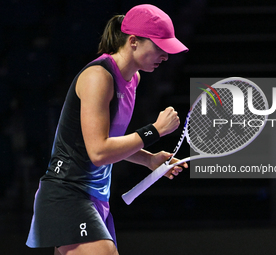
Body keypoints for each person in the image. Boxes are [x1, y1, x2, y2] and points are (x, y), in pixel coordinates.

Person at [26, 4, 188, 255]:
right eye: (159, 47)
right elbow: (99, 152)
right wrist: (154, 131)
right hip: (67, 192)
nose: (166, 55)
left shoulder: (133, 79)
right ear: (133, 41)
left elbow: (110, 141)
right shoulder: (98, 77)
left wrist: (149, 160)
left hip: (96, 196)